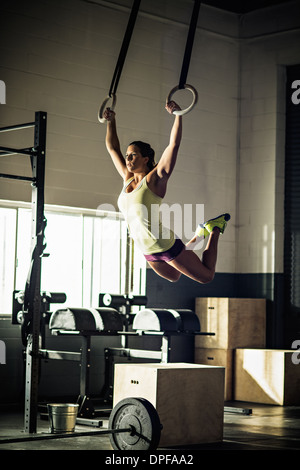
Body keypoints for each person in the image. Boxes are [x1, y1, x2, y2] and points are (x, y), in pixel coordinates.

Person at [103, 101, 230, 283]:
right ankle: (201, 232)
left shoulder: (155, 179)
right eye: (127, 155)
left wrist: (178, 115)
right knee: (174, 276)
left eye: (133, 155)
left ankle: (215, 228)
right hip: (146, 250)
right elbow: (112, 148)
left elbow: (173, 145)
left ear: (146, 159)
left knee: (206, 277)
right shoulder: (127, 178)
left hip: (164, 244)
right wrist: (111, 121)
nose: (128, 158)